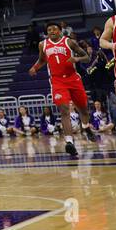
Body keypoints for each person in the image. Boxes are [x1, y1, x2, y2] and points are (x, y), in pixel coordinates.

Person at [29, 22, 96, 156]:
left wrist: (76, 58)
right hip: (57, 81)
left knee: (83, 109)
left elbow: (87, 58)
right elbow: (42, 60)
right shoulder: (43, 44)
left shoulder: (69, 42)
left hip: (73, 79)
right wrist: (35, 67)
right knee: (64, 110)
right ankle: (69, 142)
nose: (52, 31)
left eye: (54, 29)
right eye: (49, 30)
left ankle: (86, 127)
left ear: (60, 31)